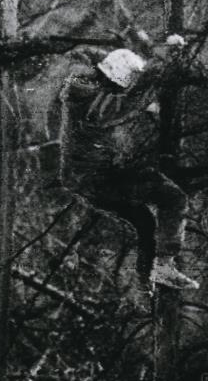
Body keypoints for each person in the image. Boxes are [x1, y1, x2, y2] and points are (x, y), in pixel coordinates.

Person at [57, 40, 199, 291]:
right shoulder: (89, 99)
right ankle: (162, 268)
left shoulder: (85, 86)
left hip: (93, 177)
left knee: (144, 221)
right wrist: (159, 67)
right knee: (172, 198)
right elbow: (123, 106)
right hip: (98, 179)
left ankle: (147, 282)